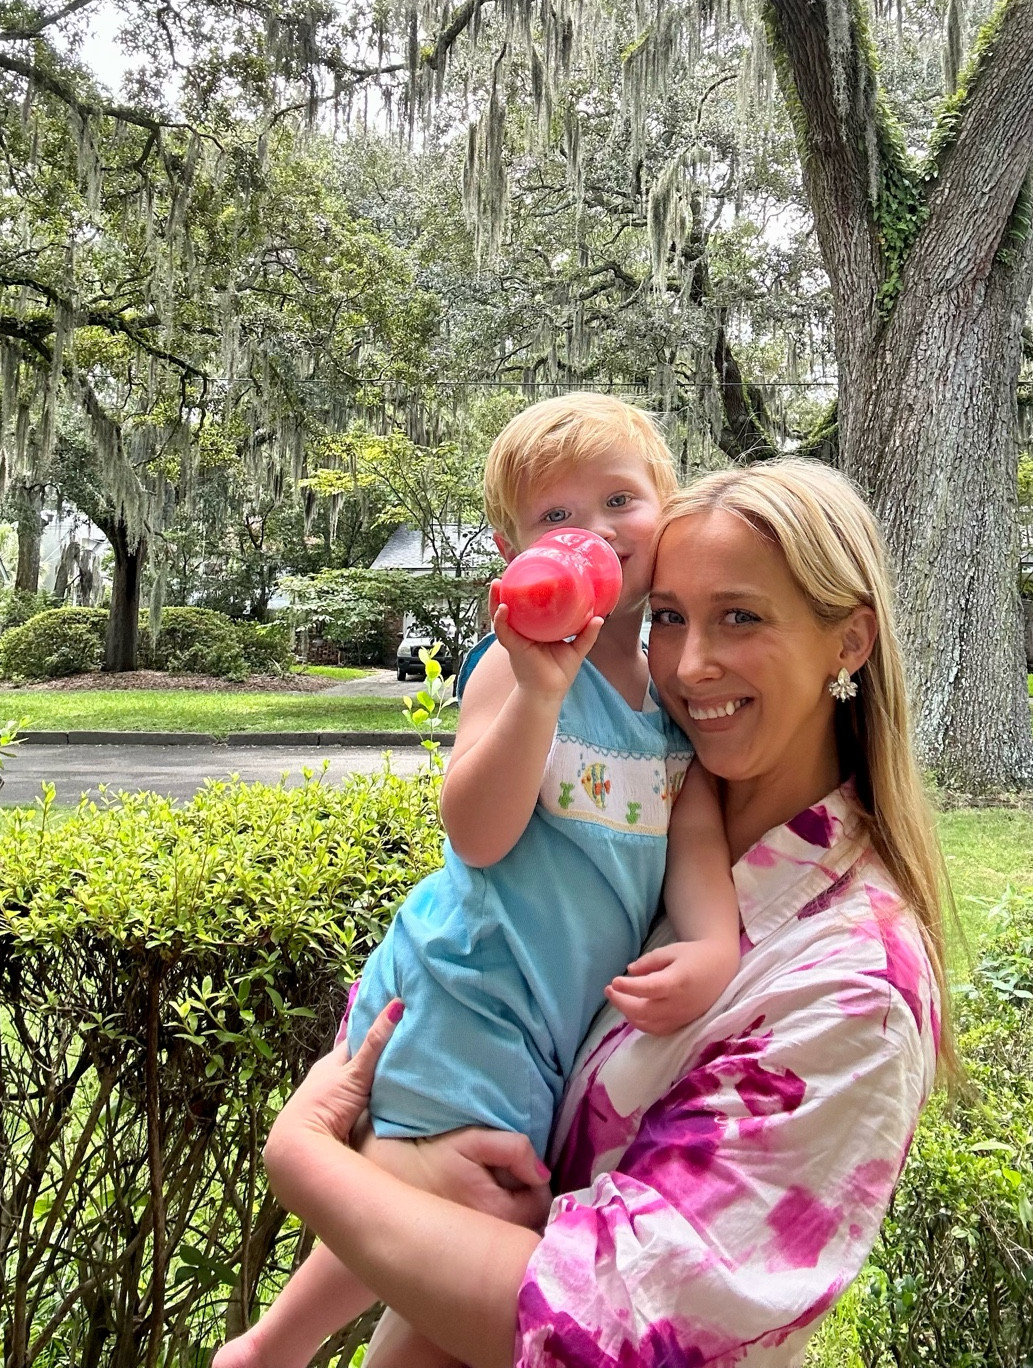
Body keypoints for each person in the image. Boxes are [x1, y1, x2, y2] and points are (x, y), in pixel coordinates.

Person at [259, 456, 954, 1368]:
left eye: (739, 617)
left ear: (849, 642)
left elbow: (617, 1323)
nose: (692, 664)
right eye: (668, 617)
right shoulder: (645, 825)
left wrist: (307, 1162)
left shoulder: (851, 988)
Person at [215, 395, 742, 1368]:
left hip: (547, 1023)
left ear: (665, 509)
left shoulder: (672, 704)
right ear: (513, 548)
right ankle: (271, 1347)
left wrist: (713, 945)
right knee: (469, 1196)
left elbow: (696, 834)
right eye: (557, 515)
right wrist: (539, 695)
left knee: (482, 1214)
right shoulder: (516, 664)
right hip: (468, 982)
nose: (593, 528)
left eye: (620, 497)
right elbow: (478, 831)